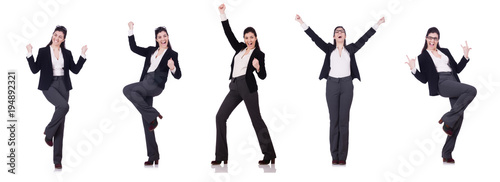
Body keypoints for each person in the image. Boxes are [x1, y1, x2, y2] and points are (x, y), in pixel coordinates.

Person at [295, 14, 385, 165]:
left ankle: (342, 157)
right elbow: (315, 38)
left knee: (343, 120)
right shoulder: (328, 48)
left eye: (341, 31)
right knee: (333, 121)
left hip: (346, 85)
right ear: (334, 36)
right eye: (337, 31)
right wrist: (301, 23)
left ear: (345, 35)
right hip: (331, 85)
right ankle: (334, 156)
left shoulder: (351, 49)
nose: (339, 32)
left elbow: (364, 39)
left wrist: (378, 24)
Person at [212, 4, 276, 165]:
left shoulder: (259, 54)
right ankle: (221, 156)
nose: (249, 40)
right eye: (246, 38)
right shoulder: (239, 48)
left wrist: (258, 67)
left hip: (248, 87)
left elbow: (263, 76)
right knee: (220, 117)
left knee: (256, 120)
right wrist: (222, 14)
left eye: (251, 37)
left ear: (256, 38)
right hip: (234, 86)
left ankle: (269, 154)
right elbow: (228, 34)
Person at [405, 27, 476, 163]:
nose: (432, 40)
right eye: (430, 37)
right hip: (442, 83)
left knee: (458, 118)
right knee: (471, 90)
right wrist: (413, 68)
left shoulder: (445, 51)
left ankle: (446, 154)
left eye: (435, 38)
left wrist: (465, 56)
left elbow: (457, 69)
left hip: (453, 81)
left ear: (438, 40)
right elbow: (424, 79)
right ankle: (446, 118)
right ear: (426, 38)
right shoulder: (423, 57)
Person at [25, 25, 87, 169]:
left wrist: (83, 54)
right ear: (52, 35)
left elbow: (75, 70)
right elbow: (34, 70)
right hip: (49, 85)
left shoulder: (67, 52)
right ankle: (48, 132)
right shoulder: (43, 51)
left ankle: (57, 160)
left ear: (64, 39)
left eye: (60, 36)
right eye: (55, 35)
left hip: (64, 86)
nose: (57, 38)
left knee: (61, 122)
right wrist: (29, 53)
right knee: (64, 107)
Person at [123, 21, 182, 165]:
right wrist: (131, 30)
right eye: (160, 37)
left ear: (168, 37)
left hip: (155, 85)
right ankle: (153, 156)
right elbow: (133, 48)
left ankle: (153, 114)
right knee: (147, 121)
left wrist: (172, 67)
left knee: (127, 89)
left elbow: (178, 75)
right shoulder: (151, 50)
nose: (163, 39)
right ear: (156, 39)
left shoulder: (172, 54)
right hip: (145, 83)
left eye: (165, 36)